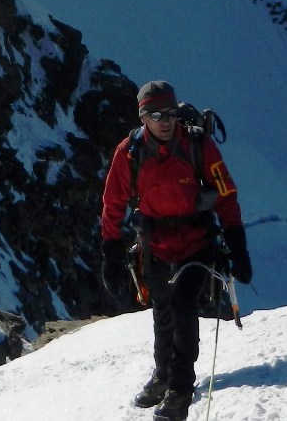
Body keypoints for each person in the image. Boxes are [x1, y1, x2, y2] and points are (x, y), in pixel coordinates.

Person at [99, 80, 253, 420]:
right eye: (155, 115)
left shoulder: (199, 145)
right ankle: (162, 374)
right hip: (154, 246)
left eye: (169, 114)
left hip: (196, 245)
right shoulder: (129, 153)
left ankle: (180, 387)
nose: (165, 121)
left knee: (183, 306)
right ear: (143, 117)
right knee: (162, 310)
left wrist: (237, 245)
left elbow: (226, 194)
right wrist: (110, 250)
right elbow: (113, 202)